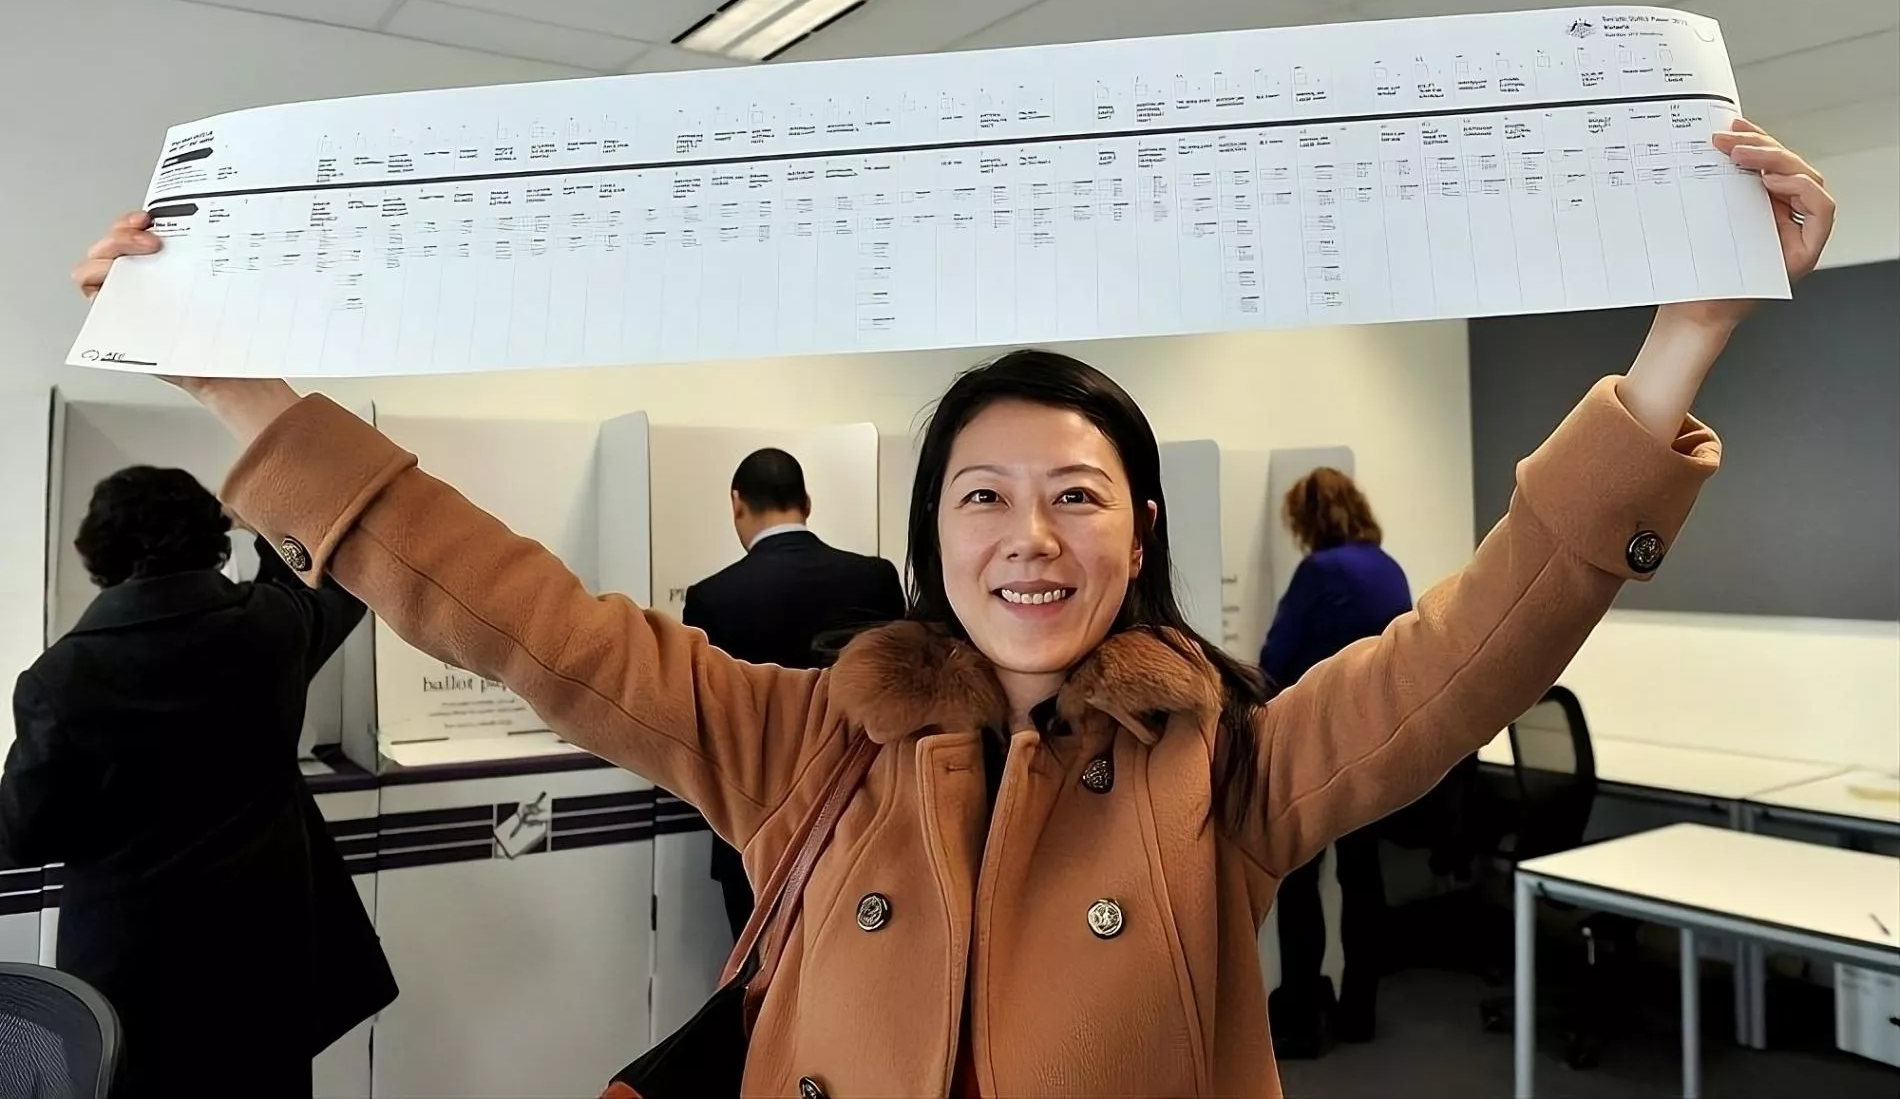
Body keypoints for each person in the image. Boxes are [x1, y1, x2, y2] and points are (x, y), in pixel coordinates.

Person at [71, 118, 1831, 1098]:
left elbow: (1478, 646)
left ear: (1135, 538)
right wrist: (240, 392)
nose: (1030, 534)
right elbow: (511, 609)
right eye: (983, 495)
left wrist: (1679, 343)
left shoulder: (1231, 772)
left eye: (1078, 495)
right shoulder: (793, 732)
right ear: (932, 536)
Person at [0, 466, 397, 1099]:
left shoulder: (60, 678)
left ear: (96, 553)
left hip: (131, 975)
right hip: (265, 962)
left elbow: (23, 838)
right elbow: (333, 577)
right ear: (213, 539)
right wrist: (264, 517)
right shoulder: (272, 627)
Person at [683, 447, 906, 940]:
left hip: (754, 829)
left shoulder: (712, 597)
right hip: (863, 814)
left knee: (759, 987)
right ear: (806, 500)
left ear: (736, 503)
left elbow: (706, 725)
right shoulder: (875, 578)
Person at [1258, 466, 1413, 1057]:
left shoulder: (1320, 570)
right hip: (1377, 741)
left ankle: (1298, 1020)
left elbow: (1277, 656)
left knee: (1300, 884)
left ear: (1308, 519)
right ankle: (1359, 1011)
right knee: (1361, 877)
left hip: (1319, 746)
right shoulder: (1386, 565)